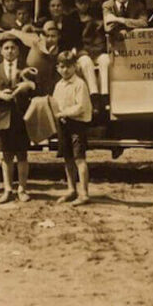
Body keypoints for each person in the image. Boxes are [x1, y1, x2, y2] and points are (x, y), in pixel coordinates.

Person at [0, 38, 33, 204]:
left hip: (21, 117)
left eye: (13, 48)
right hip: (2, 117)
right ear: (1, 51)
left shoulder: (26, 69)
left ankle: (23, 189)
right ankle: (8, 189)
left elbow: (37, 87)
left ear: (18, 51)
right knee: (6, 156)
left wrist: (28, 85)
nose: (10, 51)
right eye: (6, 48)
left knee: (22, 155)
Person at [51, 51, 94, 206]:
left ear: (75, 67)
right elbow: (56, 104)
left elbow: (81, 107)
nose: (65, 70)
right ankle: (71, 189)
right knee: (67, 158)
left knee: (79, 159)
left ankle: (84, 193)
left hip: (77, 124)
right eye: (62, 66)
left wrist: (63, 113)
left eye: (69, 66)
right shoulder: (59, 85)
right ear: (57, 68)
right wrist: (57, 113)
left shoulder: (79, 84)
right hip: (64, 124)